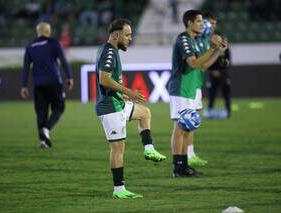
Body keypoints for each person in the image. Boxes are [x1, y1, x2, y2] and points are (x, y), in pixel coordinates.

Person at [95, 19, 166, 198]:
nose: (130, 38)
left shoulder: (109, 50)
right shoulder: (109, 52)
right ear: (116, 35)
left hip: (117, 102)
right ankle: (119, 190)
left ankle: (148, 148)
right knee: (118, 148)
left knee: (144, 113)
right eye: (127, 35)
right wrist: (129, 91)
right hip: (110, 108)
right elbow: (104, 79)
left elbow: (108, 82)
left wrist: (123, 95)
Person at [168, 10, 228, 177]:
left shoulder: (194, 40)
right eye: (200, 21)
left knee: (188, 128)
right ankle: (177, 167)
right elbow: (193, 63)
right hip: (181, 88)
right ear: (189, 23)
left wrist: (217, 52)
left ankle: (185, 166)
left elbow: (202, 66)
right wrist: (212, 48)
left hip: (192, 88)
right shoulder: (183, 39)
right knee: (180, 128)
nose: (203, 24)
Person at [21, 22, 73, 148]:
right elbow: (63, 60)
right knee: (59, 107)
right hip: (54, 82)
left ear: (38, 31)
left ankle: (43, 141)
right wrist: (70, 77)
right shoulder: (53, 43)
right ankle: (46, 129)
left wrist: (24, 85)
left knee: (41, 112)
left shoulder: (30, 46)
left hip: (38, 84)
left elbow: (26, 67)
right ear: (48, 31)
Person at [203, 12, 232, 119]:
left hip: (223, 74)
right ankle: (210, 111)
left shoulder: (224, 46)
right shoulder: (206, 44)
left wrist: (220, 69)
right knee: (211, 94)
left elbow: (228, 60)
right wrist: (213, 70)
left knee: (226, 93)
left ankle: (228, 112)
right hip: (211, 73)